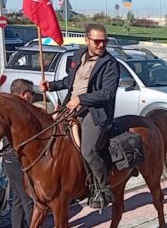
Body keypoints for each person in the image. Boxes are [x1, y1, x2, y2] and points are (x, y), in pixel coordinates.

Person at [40, 23, 119, 209]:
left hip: (95, 112)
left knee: (87, 150)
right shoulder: (78, 55)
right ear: (87, 39)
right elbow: (71, 80)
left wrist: (81, 99)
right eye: (97, 41)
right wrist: (51, 86)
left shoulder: (109, 63)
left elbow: (108, 93)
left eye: (104, 41)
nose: (101, 45)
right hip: (70, 107)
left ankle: (103, 189)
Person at [5, 79, 56, 228]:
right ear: (23, 94)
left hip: (8, 160)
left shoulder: (8, 108)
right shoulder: (18, 111)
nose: (33, 98)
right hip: (17, 160)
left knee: (18, 199)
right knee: (29, 199)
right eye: (31, 95)